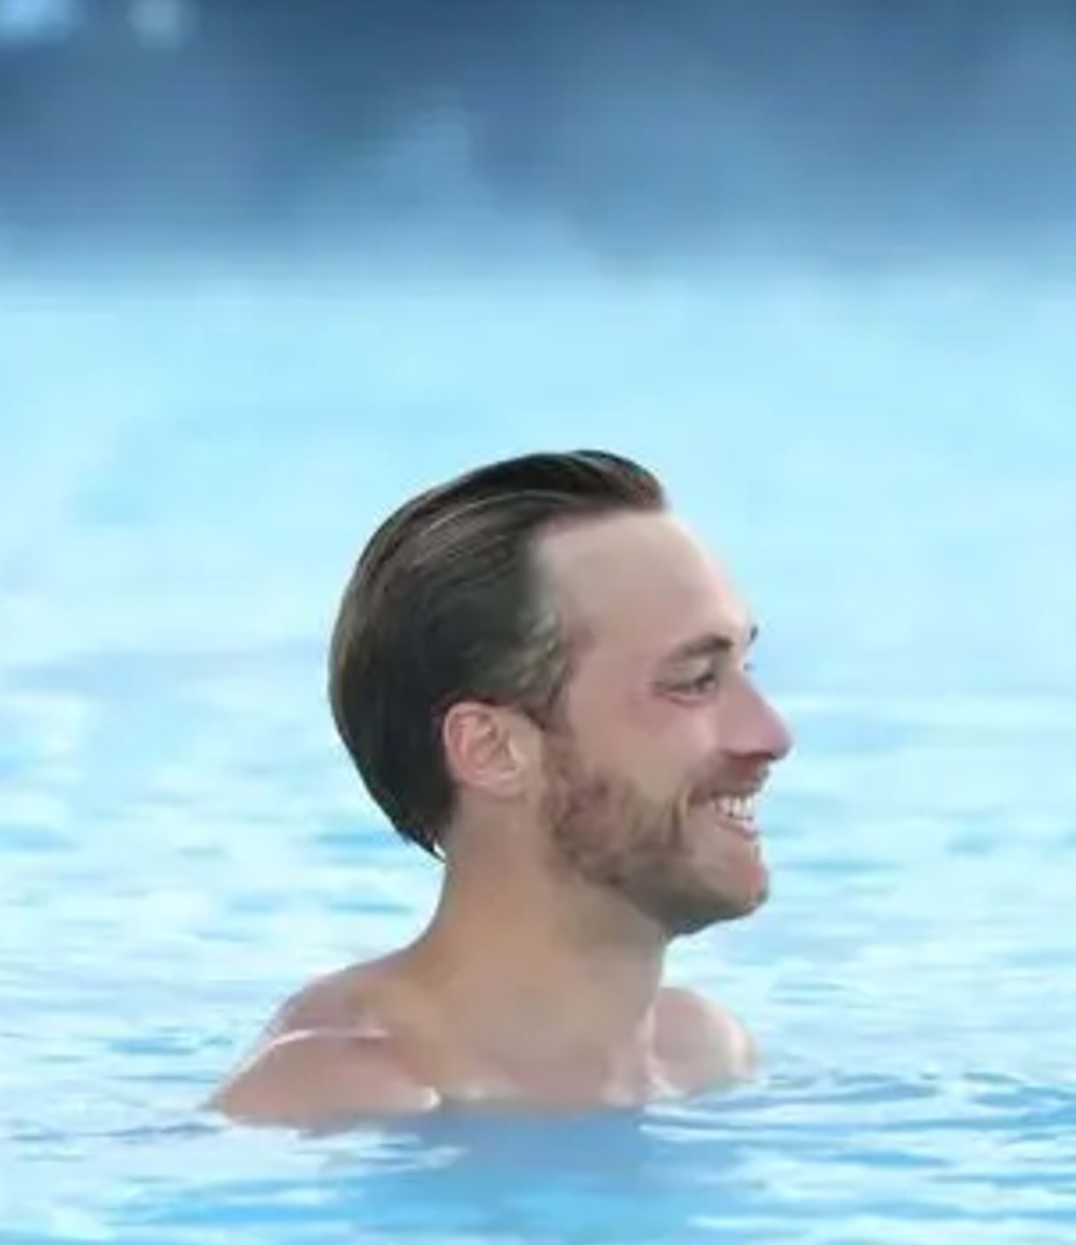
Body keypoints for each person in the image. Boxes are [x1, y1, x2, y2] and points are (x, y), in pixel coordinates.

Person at [210, 449, 786, 1128]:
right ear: (492, 749)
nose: (770, 733)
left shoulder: (704, 1058)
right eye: (694, 681)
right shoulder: (333, 1098)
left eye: (745, 667)